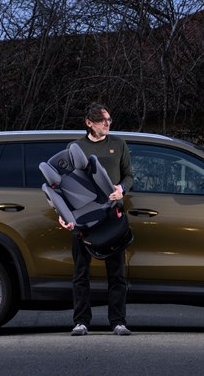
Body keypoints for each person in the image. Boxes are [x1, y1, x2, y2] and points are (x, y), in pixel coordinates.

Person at [58, 102, 134, 336]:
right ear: (89, 123)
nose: (108, 124)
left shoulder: (118, 144)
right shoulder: (75, 147)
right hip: (83, 217)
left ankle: (118, 321)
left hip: (112, 215)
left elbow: (129, 176)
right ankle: (81, 321)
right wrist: (63, 214)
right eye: (103, 121)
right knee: (81, 271)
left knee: (117, 272)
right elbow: (63, 184)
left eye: (109, 120)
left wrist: (122, 188)